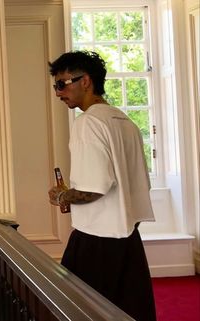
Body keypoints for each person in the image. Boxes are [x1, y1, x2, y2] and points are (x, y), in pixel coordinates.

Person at [48, 50, 157, 321]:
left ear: (85, 81)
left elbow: (94, 188)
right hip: (128, 238)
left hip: (95, 240)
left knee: (81, 313)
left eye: (62, 84)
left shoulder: (88, 123)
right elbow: (139, 183)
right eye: (55, 86)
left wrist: (63, 195)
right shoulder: (125, 121)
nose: (58, 93)